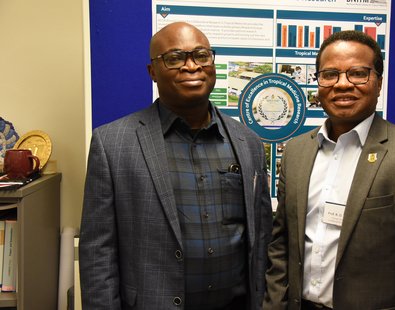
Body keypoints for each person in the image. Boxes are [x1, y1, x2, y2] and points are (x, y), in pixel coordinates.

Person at [79, 22, 272, 310]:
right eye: (175, 58)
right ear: (153, 72)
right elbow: (98, 251)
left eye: (201, 55)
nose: (191, 66)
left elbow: (262, 240)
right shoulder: (112, 143)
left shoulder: (249, 142)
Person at [264, 30, 395, 309]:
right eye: (330, 74)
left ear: (378, 82)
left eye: (357, 73)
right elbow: (281, 246)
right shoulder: (296, 152)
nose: (342, 84)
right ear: (318, 83)